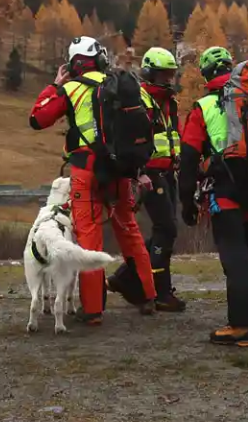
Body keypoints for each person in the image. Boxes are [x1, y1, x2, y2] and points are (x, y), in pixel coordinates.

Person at [26, 37, 156, 324]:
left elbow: (37, 118)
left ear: (75, 64)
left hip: (87, 171)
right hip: (121, 170)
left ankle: (94, 310)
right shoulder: (125, 85)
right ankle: (148, 296)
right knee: (130, 233)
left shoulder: (71, 89)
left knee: (89, 238)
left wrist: (55, 85)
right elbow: (151, 119)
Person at [178, 46, 248, 347]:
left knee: (235, 253)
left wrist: (186, 201)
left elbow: (189, 158)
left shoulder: (203, 107)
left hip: (226, 187)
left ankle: (239, 326)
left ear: (206, 74)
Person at [107, 46, 186, 311]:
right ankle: (159, 291)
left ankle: (124, 277)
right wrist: (138, 173)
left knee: (165, 230)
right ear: (150, 73)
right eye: (164, 75)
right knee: (167, 229)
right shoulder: (140, 98)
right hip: (150, 172)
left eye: (171, 75)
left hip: (167, 171)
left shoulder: (168, 101)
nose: (169, 80)